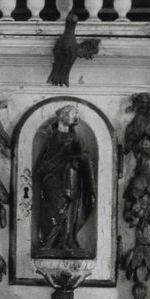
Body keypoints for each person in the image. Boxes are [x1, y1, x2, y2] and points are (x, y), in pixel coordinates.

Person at [33, 105, 96, 258]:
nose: (72, 117)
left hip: (71, 176)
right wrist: (56, 162)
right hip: (53, 180)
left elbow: (86, 159)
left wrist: (76, 158)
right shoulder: (51, 138)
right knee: (54, 208)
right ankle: (49, 242)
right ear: (62, 116)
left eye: (73, 115)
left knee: (69, 207)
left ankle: (67, 240)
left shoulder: (76, 138)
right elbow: (43, 164)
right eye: (69, 114)